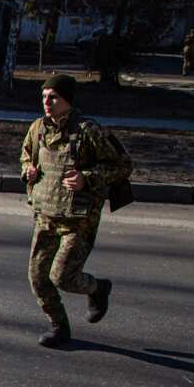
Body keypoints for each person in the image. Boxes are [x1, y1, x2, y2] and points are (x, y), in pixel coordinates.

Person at [20, 73, 126, 349]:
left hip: (78, 220)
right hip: (45, 214)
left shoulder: (89, 131)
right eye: (44, 96)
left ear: (67, 99)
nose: (47, 102)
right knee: (38, 278)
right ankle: (59, 327)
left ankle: (98, 288)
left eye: (53, 97)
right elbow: (27, 155)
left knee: (62, 276)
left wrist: (87, 178)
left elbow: (123, 165)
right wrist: (28, 171)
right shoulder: (37, 128)